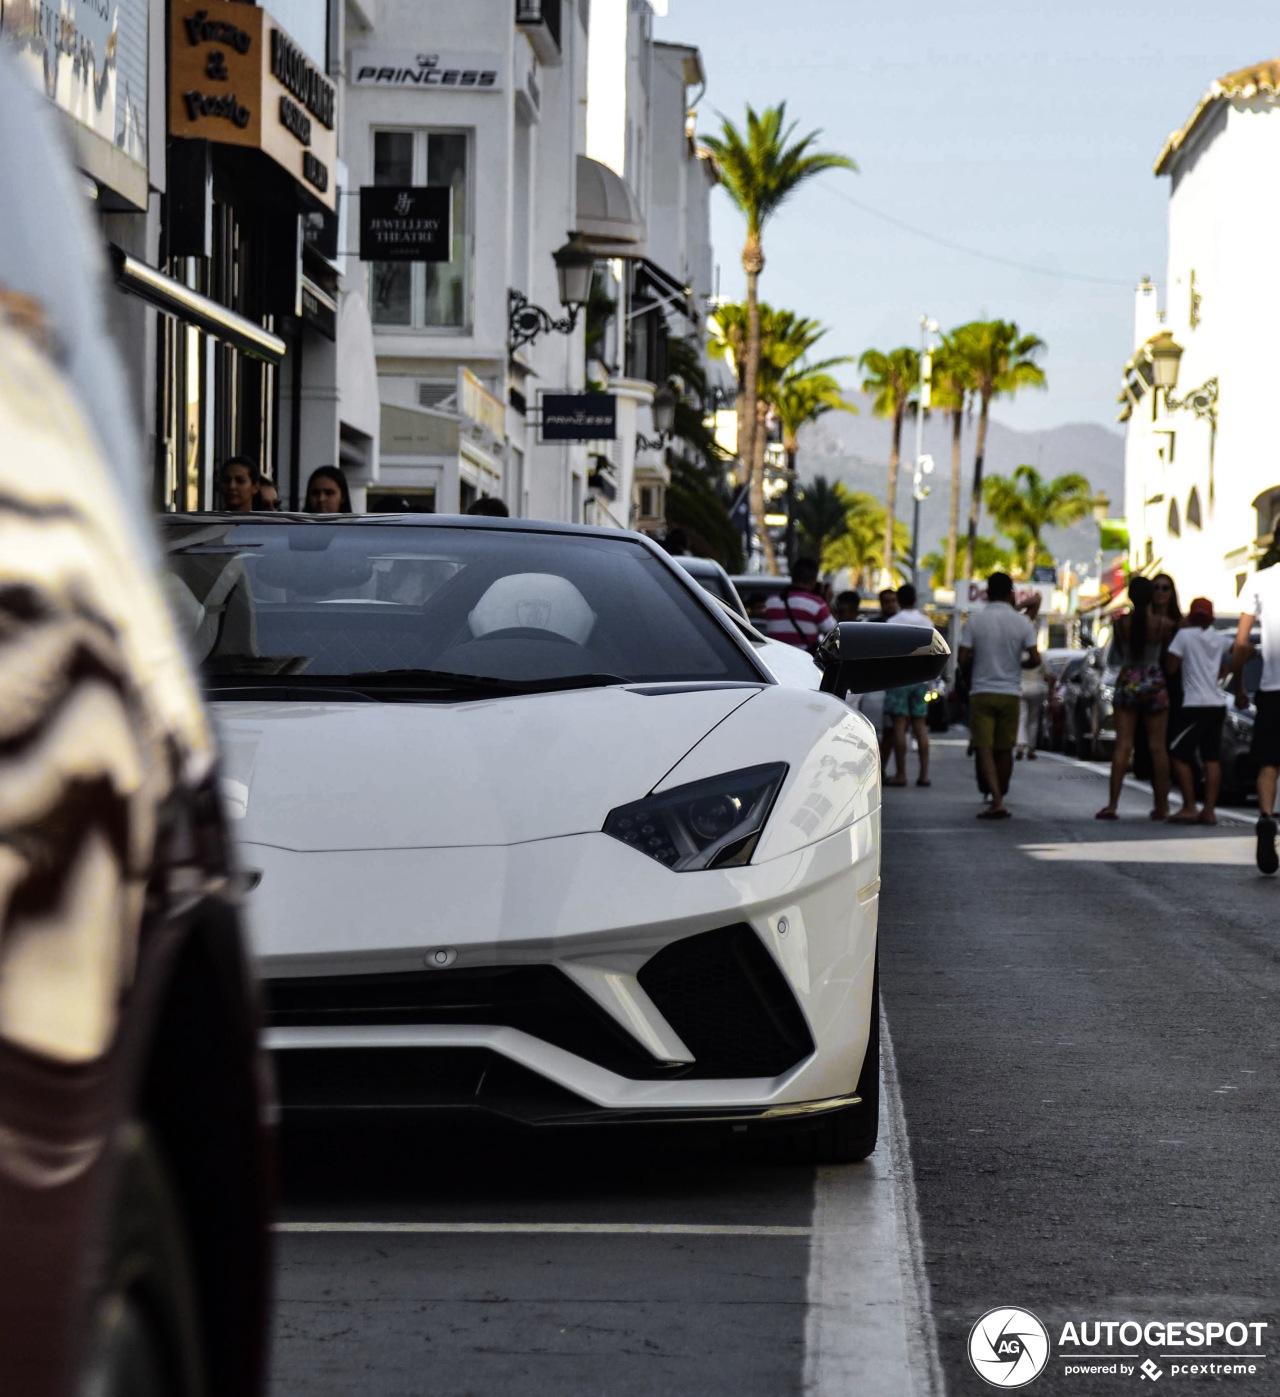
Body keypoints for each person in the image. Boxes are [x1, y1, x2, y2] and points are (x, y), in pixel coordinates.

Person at [1094, 574, 1176, 820]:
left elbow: (1120, 652)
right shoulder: (1164, 625)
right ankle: (1161, 805)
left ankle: (1112, 804)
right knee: (1158, 748)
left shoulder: (1120, 624)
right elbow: (1167, 656)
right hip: (1154, 680)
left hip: (1128, 679)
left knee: (1123, 745)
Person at [958, 572, 1039, 819]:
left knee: (984, 748)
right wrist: (1017, 665)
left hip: (982, 692)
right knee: (1004, 749)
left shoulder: (975, 620)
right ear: (1011, 592)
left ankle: (997, 799)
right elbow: (1035, 659)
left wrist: (975, 669)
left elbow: (962, 658)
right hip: (1010, 692)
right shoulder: (1021, 622)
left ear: (987, 592)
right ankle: (1000, 796)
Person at [1165, 597, 1241, 825]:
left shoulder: (1184, 636)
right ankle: (1209, 810)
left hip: (1194, 704)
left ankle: (1189, 806)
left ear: (1190, 616)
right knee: (1211, 757)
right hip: (1216, 703)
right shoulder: (1219, 639)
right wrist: (1227, 669)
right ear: (1211, 618)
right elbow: (1246, 650)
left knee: (1177, 753)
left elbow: (1170, 667)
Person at [1235, 564, 1280, 872]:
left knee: (1269, 761)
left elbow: (1241, 642)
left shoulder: (1261, 581)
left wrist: (1238, 684)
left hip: (1272, 689)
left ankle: (1266, 818)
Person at [882, 584, 934, 787]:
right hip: (920, 679)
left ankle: (901, 774)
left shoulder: (892, 622)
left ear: (899, 600)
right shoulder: (927, 621)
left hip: (898, 679)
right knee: (920, 727)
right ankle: (924, 774)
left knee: (899, 727)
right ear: (916, 599)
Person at [763, 557, 836, 649]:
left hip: (774, 661)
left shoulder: (771, 602)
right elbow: (834, 634)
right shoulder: (816, 604)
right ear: (813, 579)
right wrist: (828, 602)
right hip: (803, 661)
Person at [1016, 596, 1047, 761]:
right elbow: (1037, 598)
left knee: (1021, 717)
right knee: (1033, 720)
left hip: (1020, 686)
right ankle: (1031, 748)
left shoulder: (1015, 648)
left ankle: (1020, 745)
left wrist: (1015, 608)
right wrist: (1017, 606)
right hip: (1037, 688)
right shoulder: (1029, 629)